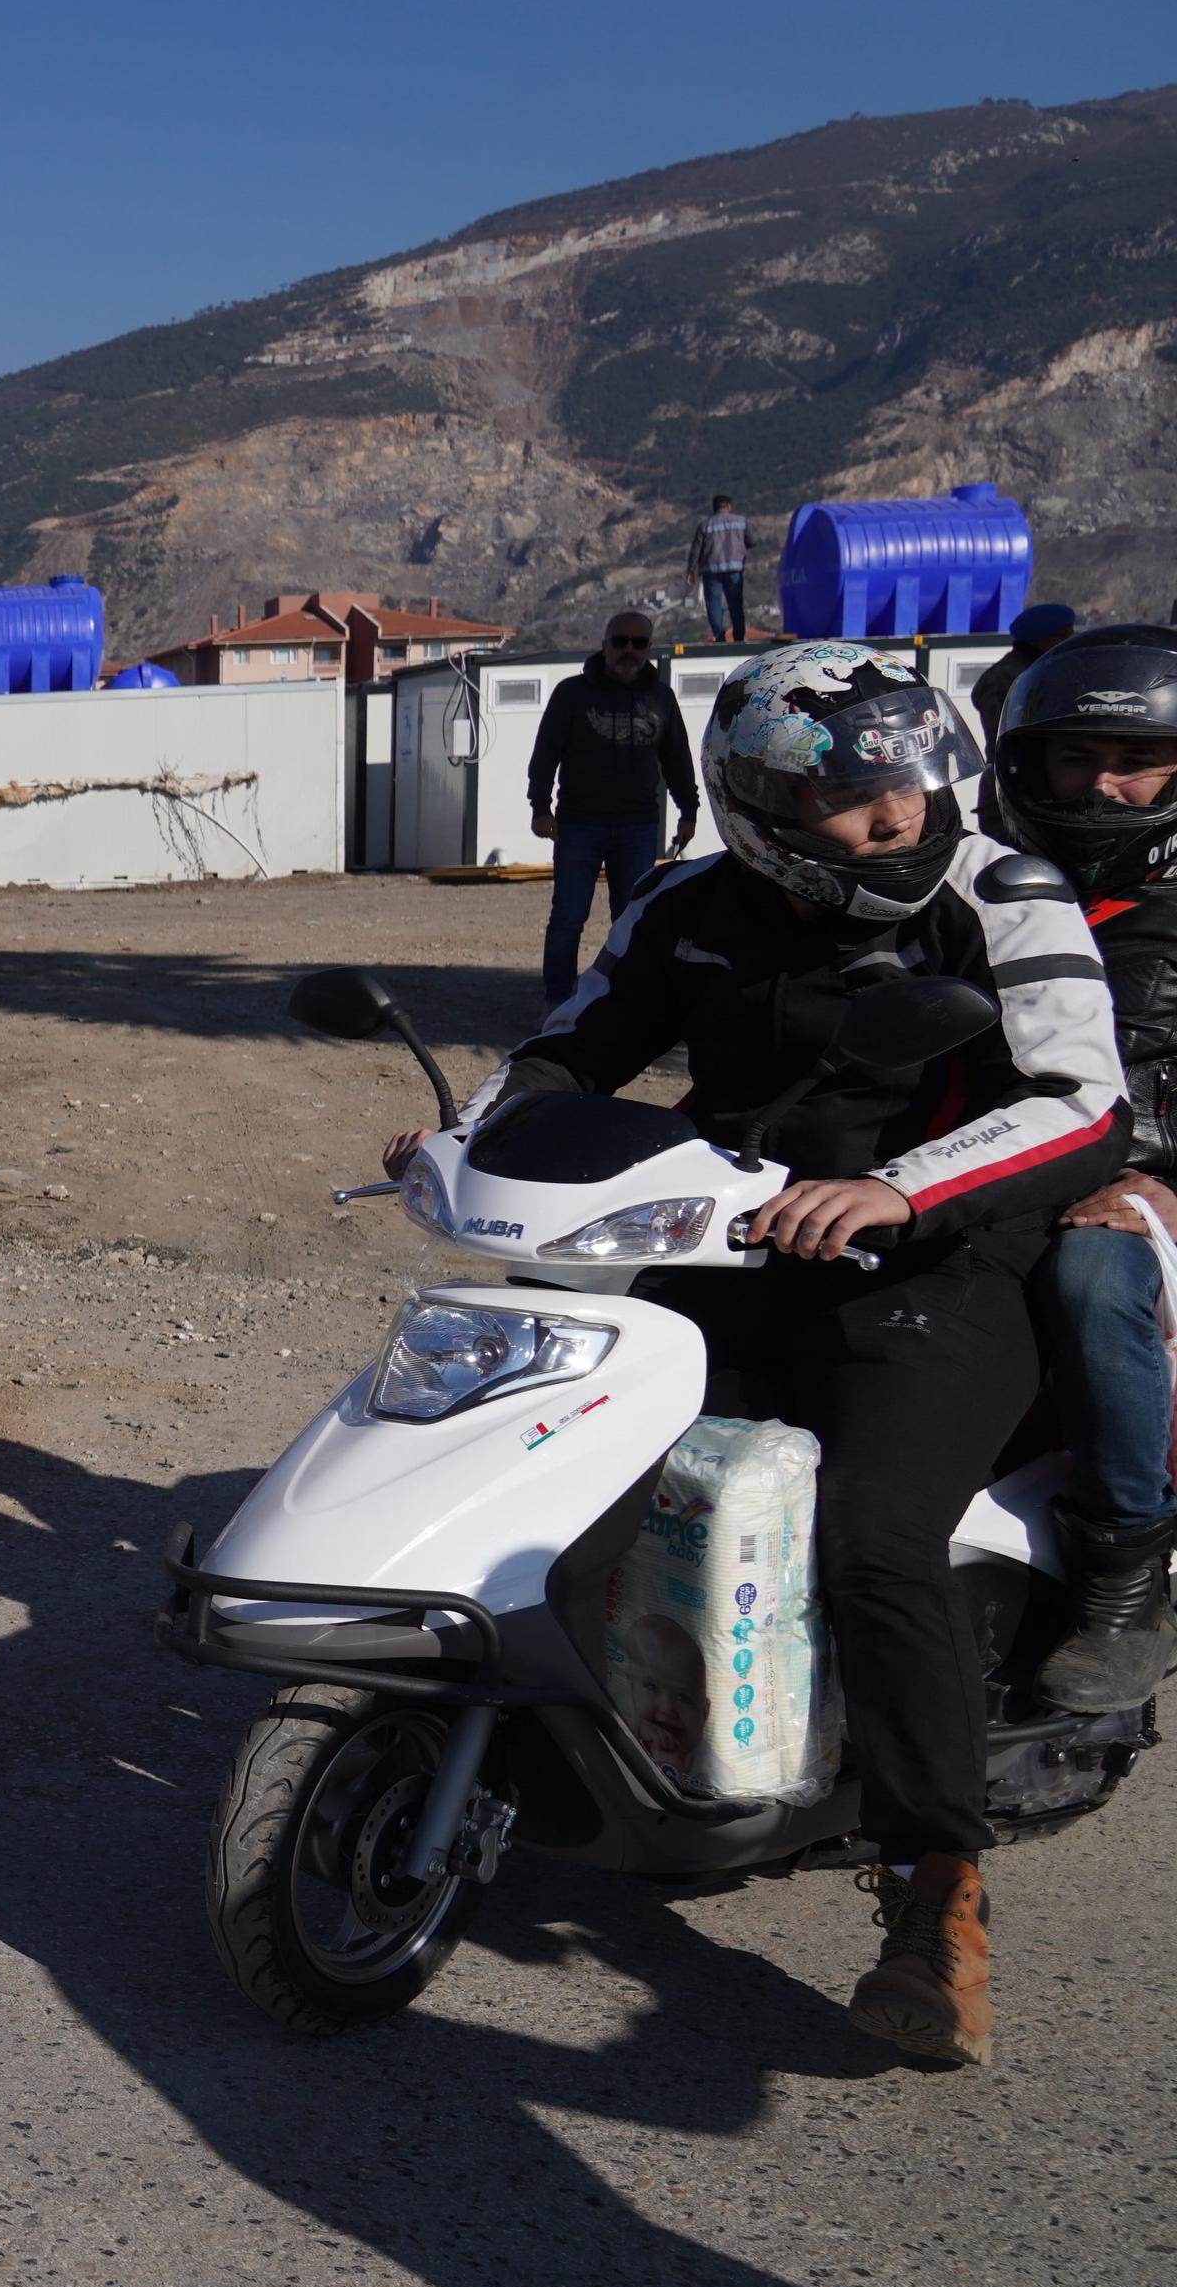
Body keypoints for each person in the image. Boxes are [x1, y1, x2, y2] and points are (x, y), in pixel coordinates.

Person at [398, 639, 1126, 2067]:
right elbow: (570, 1050)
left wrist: (902, 1188)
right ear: (760, 807)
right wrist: (472, 1129)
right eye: (859, 799)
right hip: (723, 1244)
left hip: (935, 1268)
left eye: (913, 780)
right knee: (559, 1445)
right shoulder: (688, 905)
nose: (899, 815)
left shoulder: (1001, 893)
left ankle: (934, 1889)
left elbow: (1077, 1101)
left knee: (868, 1532)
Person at [981, 623, 1177, 1709]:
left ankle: (1123, 1575)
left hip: (1142, 1200)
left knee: (1092, 1279)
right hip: (1010, 1165)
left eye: (1135, 761)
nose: (1100, 785)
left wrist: (1166, 1190)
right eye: (1072, 757)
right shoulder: (988, 890)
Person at [526, 613, 699, 1006]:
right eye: (620, 641)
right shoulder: (572, 694)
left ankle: (627, 1000)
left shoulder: (661, 698)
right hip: (578, 825)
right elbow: (545, 754)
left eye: (639, 643)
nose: (628, 651)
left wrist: (687, 810)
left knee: (633, 920)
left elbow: (677, 759)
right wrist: (540, 807)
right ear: (604, 644)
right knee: (568, 919)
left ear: (648, 649)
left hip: (638, 828)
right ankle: (557, 1002)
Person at [970, 601, 1081, 743]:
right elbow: (1006, 735)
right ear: (1037, 640)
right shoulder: (1003, 678)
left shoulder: (1052, 669)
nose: (1068, 642)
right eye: (1061, 636)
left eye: (1071, 634)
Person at [688, 493, 753, 643]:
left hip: (711, 570)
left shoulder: (705, 525)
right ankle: (739, 636)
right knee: (736, 604)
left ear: (714, 508)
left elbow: (695, 551)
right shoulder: (741, 522)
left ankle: (719, 636)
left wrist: (691, 571)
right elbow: (752, 541)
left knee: (713, 604)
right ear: (729, 507)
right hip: (734, 569)